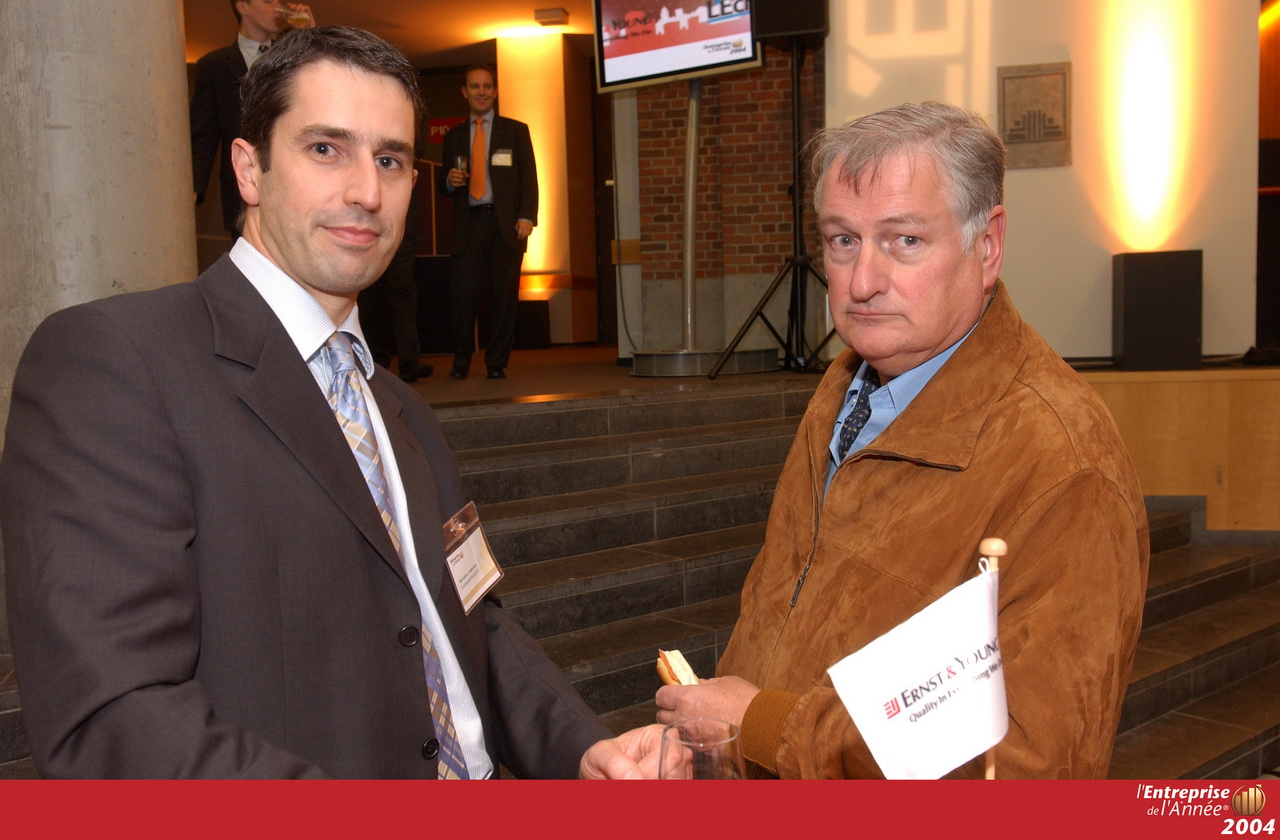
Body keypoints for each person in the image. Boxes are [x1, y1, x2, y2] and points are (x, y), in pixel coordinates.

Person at [1, 25, 662, 780]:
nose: (366, 192)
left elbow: (467, 617)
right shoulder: (118, 361)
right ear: (248, 169)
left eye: (391, 160)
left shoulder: (400, 406)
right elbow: (113, 720)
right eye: (325, 149)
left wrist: (582, 748)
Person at [655, 102, 1150, 779]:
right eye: (843, 240)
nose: (862, 283)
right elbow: (780, 616)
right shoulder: (841, 390)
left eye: (905, 241)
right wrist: (714, 747)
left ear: (988, 246)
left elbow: (1025, 769)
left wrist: (766, 726)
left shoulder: (1063, 465)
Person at [435, 65, 538, 380]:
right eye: (475, 86)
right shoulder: (454, 136)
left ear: (495, 91)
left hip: (506, 226)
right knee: (463, 297)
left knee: (504, 299)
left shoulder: (516, 131)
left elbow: (530, 177)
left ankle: (496, 363)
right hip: (468, 225)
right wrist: (449, 181)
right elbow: (443, 183)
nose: (481, 92)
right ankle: (461, 361)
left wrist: (527, 217)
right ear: (464, 92)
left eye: (487, 86)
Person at [189, 0, 315, 235]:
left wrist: (309, 38)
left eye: (278, 1)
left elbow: (317, 103)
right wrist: (193, 190)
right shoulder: (213, 66)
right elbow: (203, 136)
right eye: (268, 1)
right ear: (243, 7)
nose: (277, 6)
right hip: (242, 192)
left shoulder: (293, 60)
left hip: (292, 183)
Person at [358, 184, 433, 382]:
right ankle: (374, 362)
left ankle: (409, 362)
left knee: (403, 290)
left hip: (403, 230)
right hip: (366, 227)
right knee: (369, 293)